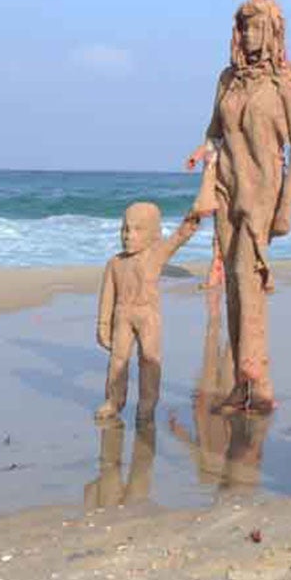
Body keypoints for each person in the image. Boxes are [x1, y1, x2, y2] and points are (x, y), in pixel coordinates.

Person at [190, 0, 291, 412]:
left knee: (246, 278)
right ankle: (243, 383)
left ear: (274, 32)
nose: (250, 35)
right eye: (244, 27)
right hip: (226, 188)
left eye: (258, 27)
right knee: (234, 290)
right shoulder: (228, 79)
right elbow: (214, 129)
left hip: (262, 191)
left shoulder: (284, 82)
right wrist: (202, 152)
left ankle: (258, 383)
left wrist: (287, 202)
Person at [94, 179, 211, 423]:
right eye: (125, 229)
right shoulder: (114, 263)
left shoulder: (155, 255)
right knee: (117, 359)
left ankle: (147, 404)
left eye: (136, 230)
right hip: (122, 315)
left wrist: (193, 218)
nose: (128, 235)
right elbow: (107, 298)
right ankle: (114, 400)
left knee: (149, 360)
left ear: (152, 235)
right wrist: (102, 326)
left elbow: (179, 237)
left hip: (148, 316)